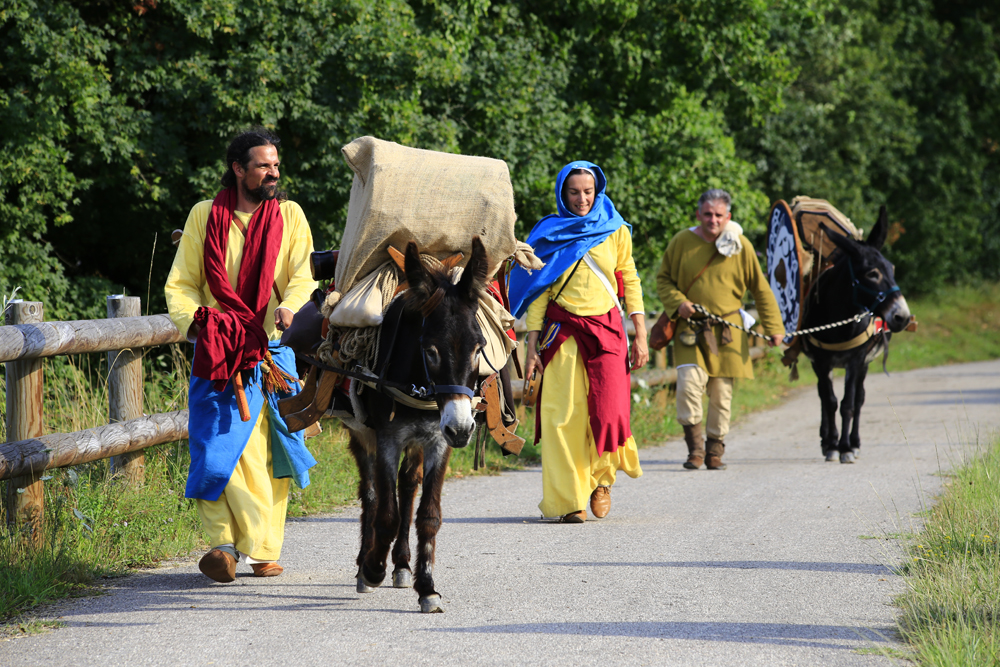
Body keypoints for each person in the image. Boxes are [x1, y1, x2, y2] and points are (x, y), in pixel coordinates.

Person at [165, 127, 318, 582]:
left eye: (275, 164)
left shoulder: (289, 215)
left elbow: (304, 275)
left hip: (271, 350)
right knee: (215, 448)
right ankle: (224, 547)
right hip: (217, 348)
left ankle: (264, 548)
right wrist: (199, 322)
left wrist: (290, 306)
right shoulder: (204, 215)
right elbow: (181, 284)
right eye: (263, 165)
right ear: (238, 169)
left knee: (270, 453)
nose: (273, 172)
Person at [509, 161, 648, 523]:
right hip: (562, 331)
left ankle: (602, 481)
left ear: (597, 190)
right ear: (562, 193)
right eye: (574, 192)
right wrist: (531, 347)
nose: (582, 198)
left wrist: (641, 333)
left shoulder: (615, 229)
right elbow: (539, 291)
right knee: (562, 416)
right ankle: (569, 500)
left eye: (588, 191)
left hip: (607, 331)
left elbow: (629, 280)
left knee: (608, 411)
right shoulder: (549, 233)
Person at [655, 189, 783, 471]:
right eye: (708, 214)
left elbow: (760, 289)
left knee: (722, 394)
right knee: (688, 384)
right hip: (691, 329)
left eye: (718, 215)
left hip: (729, 331)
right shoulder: (681, 242)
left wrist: (774, 327)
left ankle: (715, 450)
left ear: (728, 217)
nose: (713, 220)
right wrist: (679, 303)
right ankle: (695, 450)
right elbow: (663, 279)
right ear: (698, 214)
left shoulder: (741, 245)